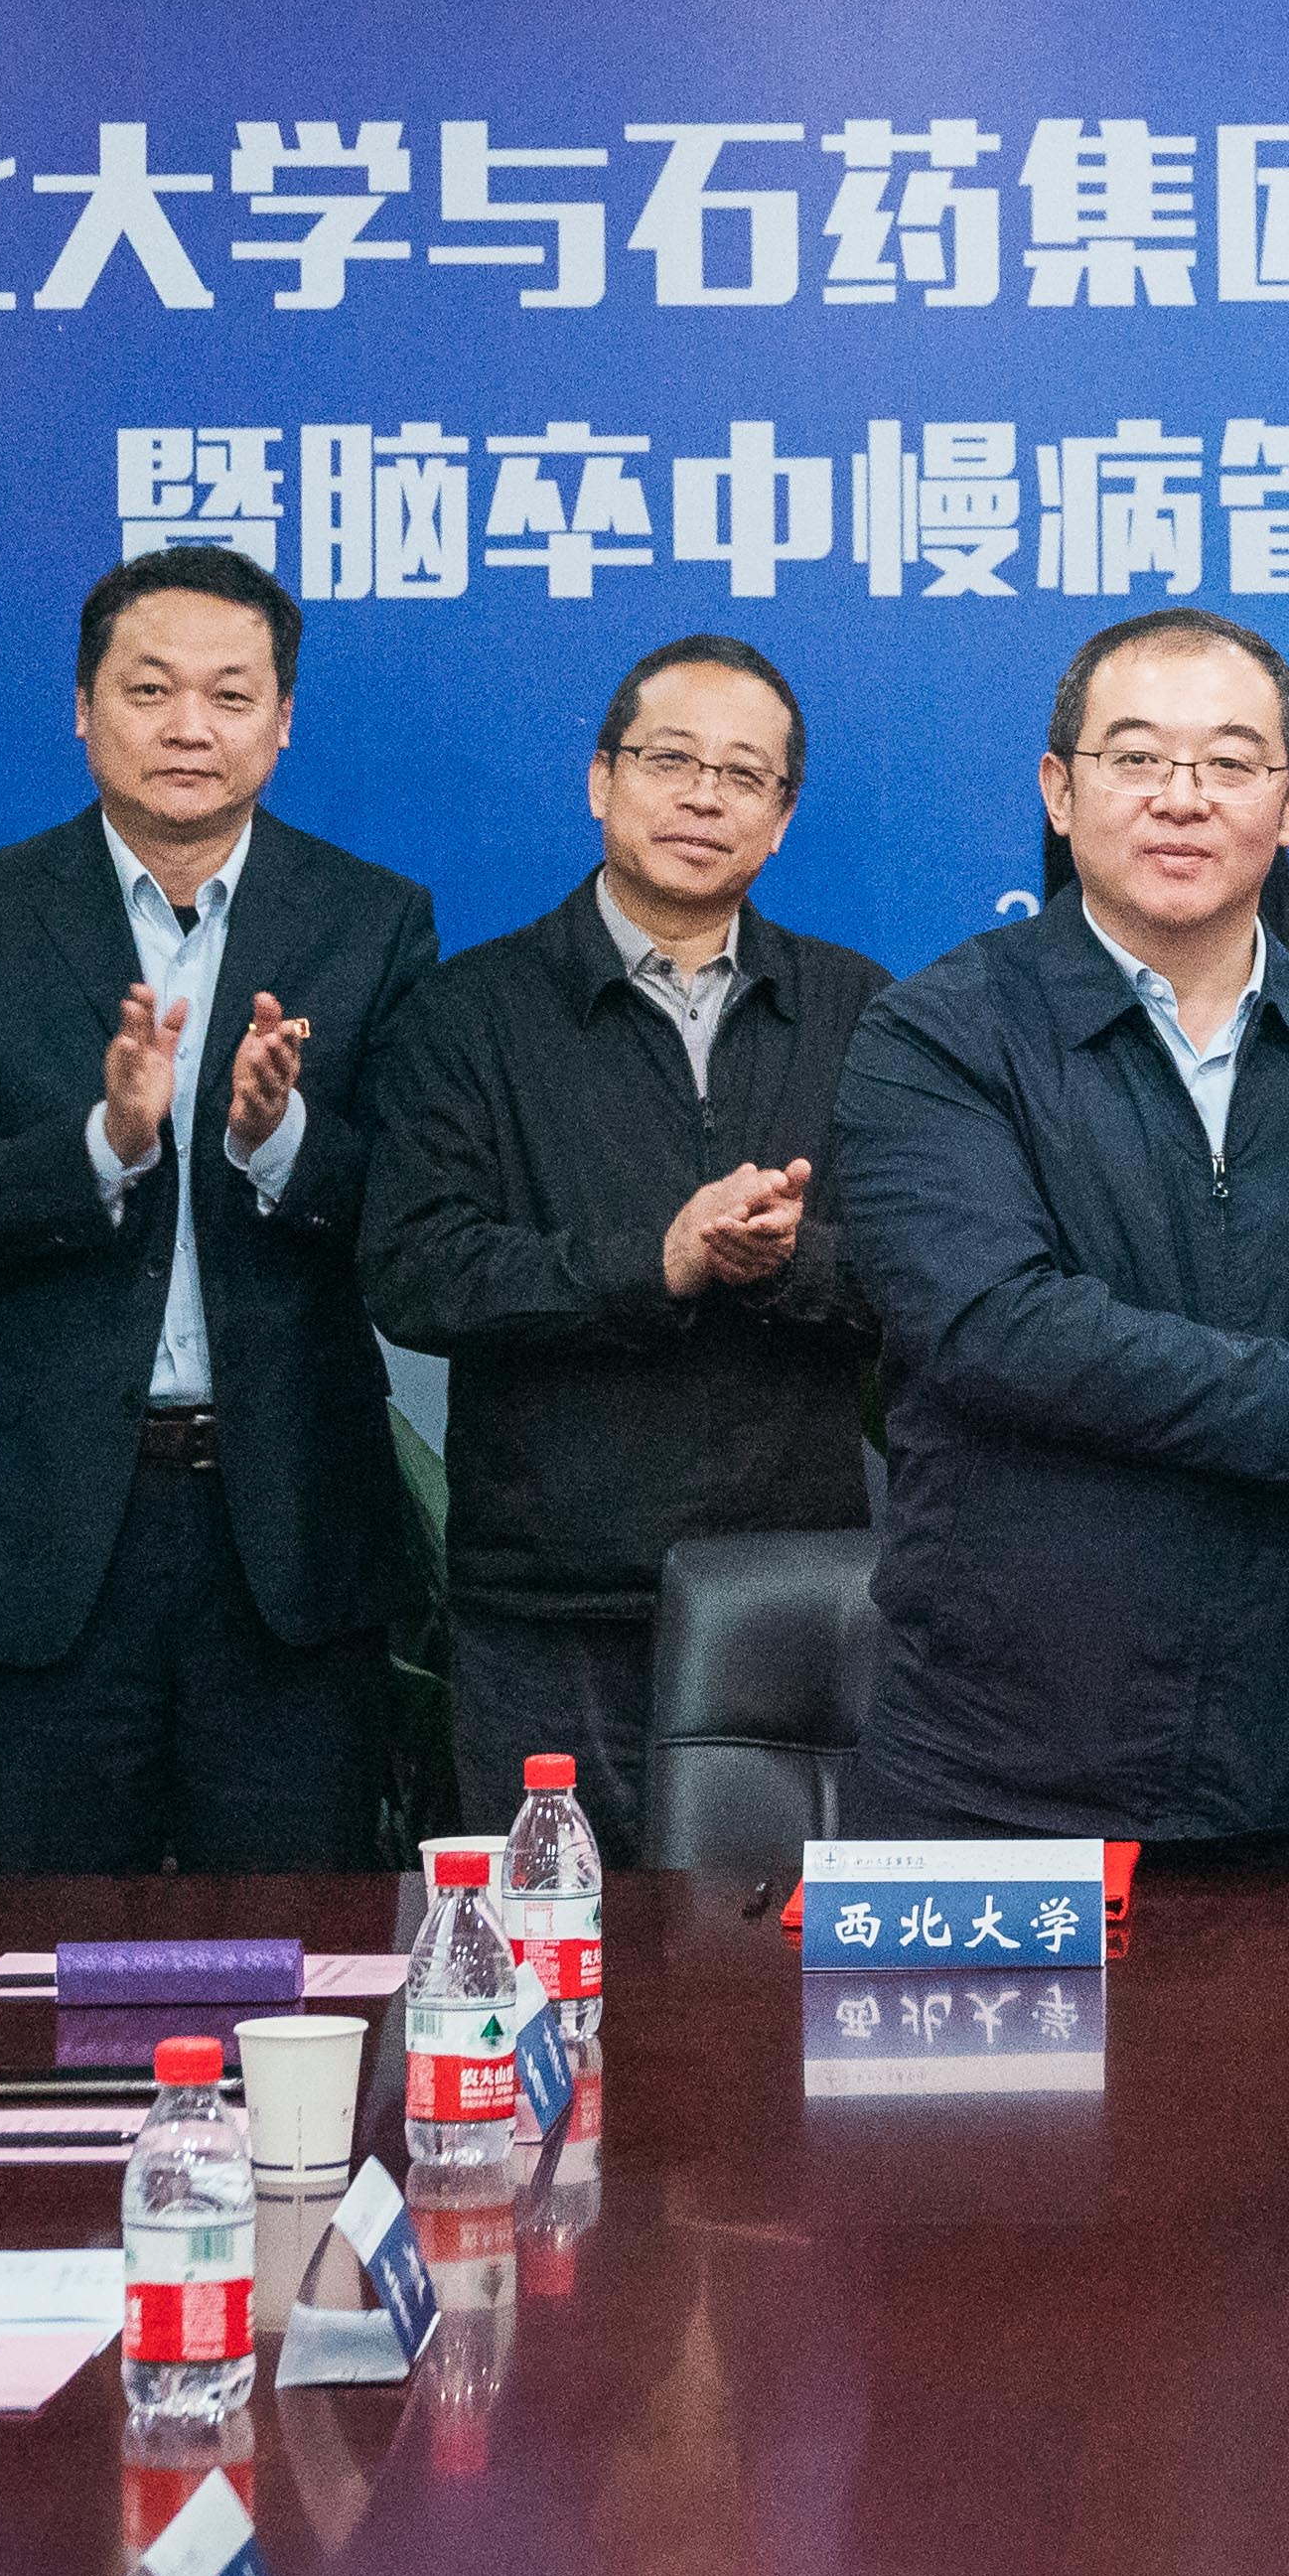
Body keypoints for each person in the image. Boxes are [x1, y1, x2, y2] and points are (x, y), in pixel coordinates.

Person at [826, 612, 1289, 1854]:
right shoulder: (938, 1037)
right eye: (1136, 757)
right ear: (1059, 790)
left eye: (1230, 762)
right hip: (1000, 1786)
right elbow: (998, 1332)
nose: (1182, 798)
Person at [0, 546, 438, 1874]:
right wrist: (102, 1145)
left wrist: (275, 1136)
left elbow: (416, 1209)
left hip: (288, 1530)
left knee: (299, 1954)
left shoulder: (370, 920)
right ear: (83, 708)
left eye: (231, 695)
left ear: (282, 721)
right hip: (45, 1534)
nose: (191, 726)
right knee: (41, 1958)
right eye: (150, 689)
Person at [361, 635, 884, 1808]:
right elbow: (416, 1269)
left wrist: (785, 1260)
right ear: (602, 779)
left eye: (744, 775)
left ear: (781, 818)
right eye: (671, 759)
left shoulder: (859, 1008)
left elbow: (922, 1273)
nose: (705, 796)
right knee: (561, 1919)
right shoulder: (469, 1013)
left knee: (777, 1930)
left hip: (790, 1595)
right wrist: (660, 1262)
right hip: (550, 1603)